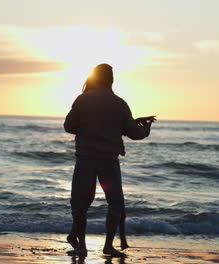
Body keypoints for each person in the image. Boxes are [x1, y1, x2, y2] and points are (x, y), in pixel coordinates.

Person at [64, 63, 155, 257]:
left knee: (80, 202)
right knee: (115, 202)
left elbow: (69, 127)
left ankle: (81, 246)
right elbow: (134, 134)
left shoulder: (82, 100)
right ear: (111, 79)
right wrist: (146, 127)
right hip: (108, 160)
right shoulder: (119, 103)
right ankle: (108, 246)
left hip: (86, 158)